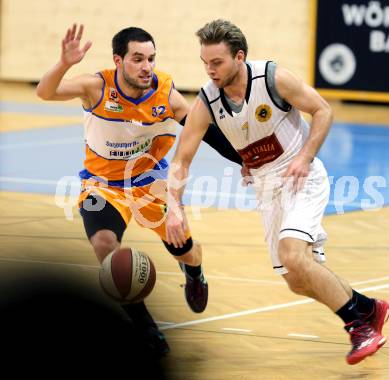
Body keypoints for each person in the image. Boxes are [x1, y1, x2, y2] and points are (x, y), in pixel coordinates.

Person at [165, 19, 389, 365]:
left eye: (217, 62)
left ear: (239, 57)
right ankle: (368, 307)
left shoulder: (272, 78)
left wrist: (305, 156)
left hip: (302, 176)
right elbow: (181, 160)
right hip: (266, 187)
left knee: (292, 254)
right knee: (296, 281)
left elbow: (322, 110)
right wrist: (174, 205)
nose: (209, 70)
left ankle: (359, 327)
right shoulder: (207, 101)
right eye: (205, 63)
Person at [36, 23, 242, 356]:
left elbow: (202, 129)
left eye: (151, 58)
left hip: (149, 182)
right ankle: (146, 327)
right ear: (118, 60)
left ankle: (194, 271)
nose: (146, 66)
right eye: (137, 59)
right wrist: (64, 63)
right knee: (105, 246)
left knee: (184, 248)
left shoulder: (164, 91)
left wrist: (243, 160)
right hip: (101, 185)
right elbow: (45, 92)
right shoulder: (96, 86)